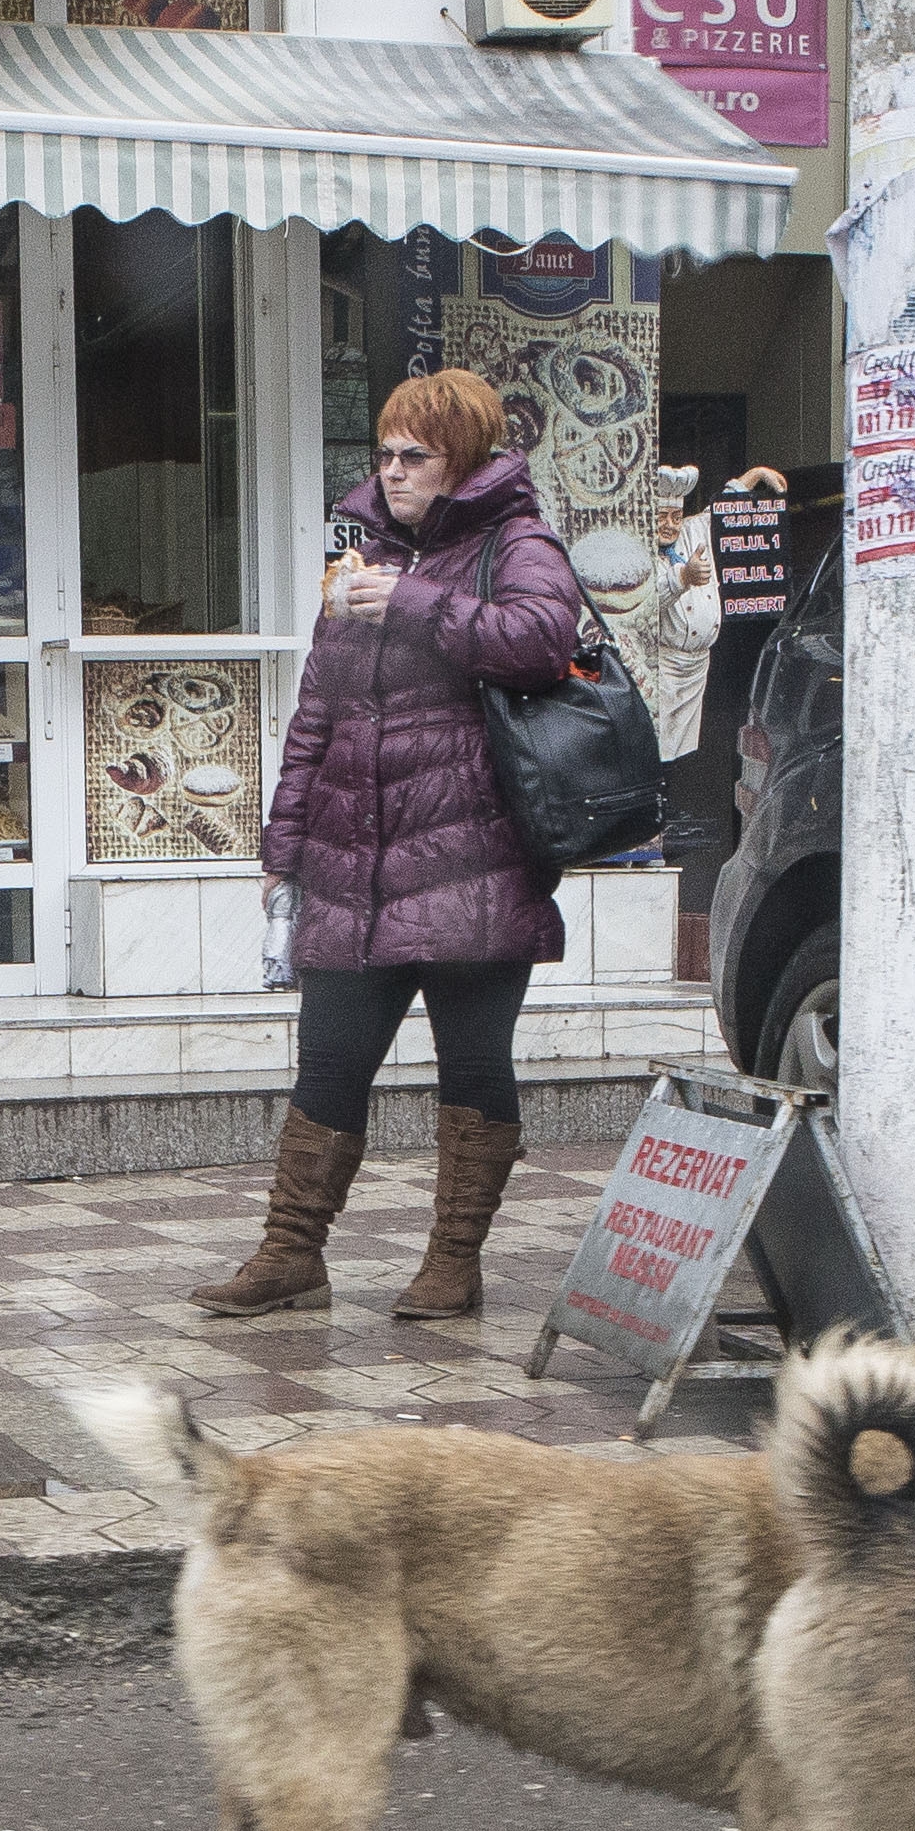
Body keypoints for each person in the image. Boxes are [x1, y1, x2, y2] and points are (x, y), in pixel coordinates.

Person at [201, 368, 577, 1321]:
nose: (396, 471)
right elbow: (316, 713)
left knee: (473, 1065)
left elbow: (541, 637)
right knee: (328, 1058)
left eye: (416, 456)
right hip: (351, 862)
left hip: (472, 863)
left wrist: (407, 603)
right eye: (386, 455)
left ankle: (455, 1261)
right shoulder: (364, 560)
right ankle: (291, 1253)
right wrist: (282, 847)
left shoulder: (516, 543)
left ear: (465, 462)